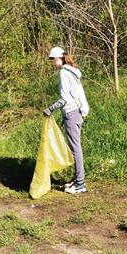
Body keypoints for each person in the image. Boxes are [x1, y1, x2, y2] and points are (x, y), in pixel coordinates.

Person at [43, 46, 89, 194]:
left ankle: (80, 184)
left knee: (76, 149)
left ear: (60, 58)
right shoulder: (71, 69)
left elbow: (65, 98)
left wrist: (50, 109)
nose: (52, 62)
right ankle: (77, 179)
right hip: (77, 112)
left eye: (53, 59)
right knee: (76, 148)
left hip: (72, 112)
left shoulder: (64, 72)